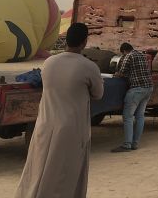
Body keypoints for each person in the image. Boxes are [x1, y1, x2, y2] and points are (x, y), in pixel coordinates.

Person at [15, 22, 104, 198]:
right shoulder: (89, 66)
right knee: (64, 176)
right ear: (84, 42)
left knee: (38, 171)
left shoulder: (49, 62)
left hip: (45, 125)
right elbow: (98, 94)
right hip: (70, 130)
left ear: (66, 40)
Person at [111, 42, 154, 152]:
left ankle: (127, 144)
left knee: (128, 116)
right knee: (140, 116)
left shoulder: (128, 56)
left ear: (124, 51)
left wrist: (115, 74)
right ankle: (135, 143)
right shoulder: (141, 55)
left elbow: (122, 72)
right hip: (148, 88)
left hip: (137, 89)